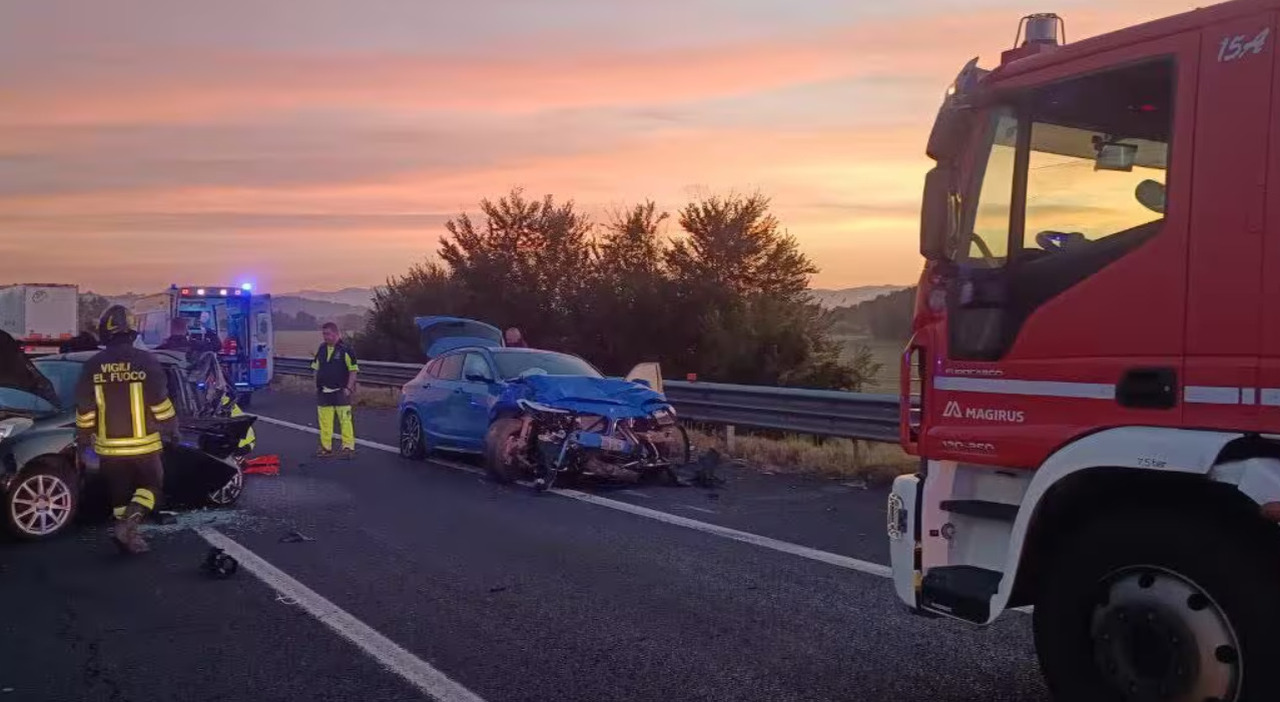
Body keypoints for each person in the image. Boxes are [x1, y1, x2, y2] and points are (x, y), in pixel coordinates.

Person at [74, 305, 178, 555]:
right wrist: (172, 429)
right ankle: (132, 519)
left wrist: (84, 440)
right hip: (144, 446)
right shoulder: (146, 361)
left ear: (105, 332)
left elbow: (85, 410)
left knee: (119, 496)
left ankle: (127, 537)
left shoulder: (93, 365)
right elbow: (160, 403)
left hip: (109, 448)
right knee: (151, 487)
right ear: (131, 331)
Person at [310, 322, 358, 458]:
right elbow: (316, 367)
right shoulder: (322, 349)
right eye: (324, 334)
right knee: (325, 421)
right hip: (323, 391)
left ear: (336, 334)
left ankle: (348, 447)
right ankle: (326, 448)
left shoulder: (346, 350)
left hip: (341, 391)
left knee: (345, 420)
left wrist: (349, 388)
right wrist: (316, 384)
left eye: (328, 334)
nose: (325, 337)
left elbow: (353, 370)